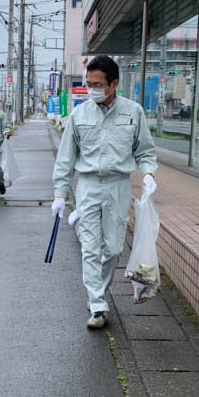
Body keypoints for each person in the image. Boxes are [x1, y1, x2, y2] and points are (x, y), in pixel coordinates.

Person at [51, 55, 157, 330]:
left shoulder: (133, 112)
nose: (92, 89)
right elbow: (66, 157)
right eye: (89, 84)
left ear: (114, 84)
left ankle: (98, 291)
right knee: (89, 246)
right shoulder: (79, 114)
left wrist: (148, 174)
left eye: (98, 85)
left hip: (118, 184)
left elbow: (145, 150)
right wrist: (60, 194)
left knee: (113, 248)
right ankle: (98, 303)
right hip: (87, 185)